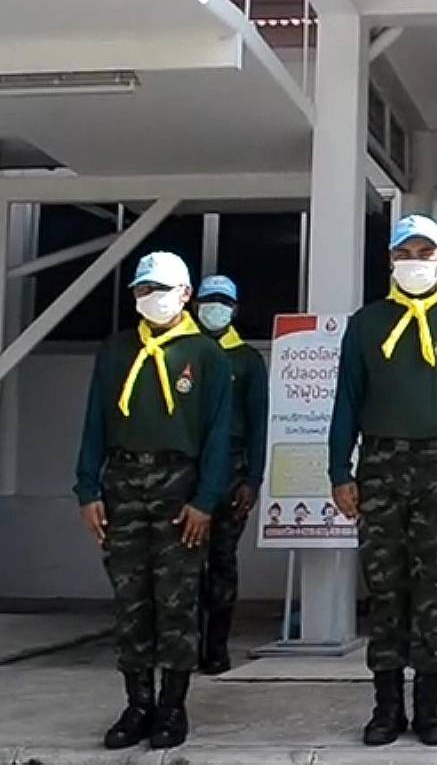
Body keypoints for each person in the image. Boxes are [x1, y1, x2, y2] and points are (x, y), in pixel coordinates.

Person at [329, 214, 437, 747]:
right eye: (406, 253)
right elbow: (346, 401)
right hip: (381, 467)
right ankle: (386, 708)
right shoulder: (367, 323)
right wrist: (339, 470)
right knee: (385, 588)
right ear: (390, 260)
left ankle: (429, 707)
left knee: (436, 589)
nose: (415, 262)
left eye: (426, 253)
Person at [74, 251, 231, 751]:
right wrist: (87, 488)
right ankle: (137, 703)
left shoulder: (206, 355)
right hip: (123, 480)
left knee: (177, 599)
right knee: (131, 598)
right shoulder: (117, 350)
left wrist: (206, 499)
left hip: (178, 483)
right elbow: (95, 420)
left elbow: (219, 435)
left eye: (160, 290)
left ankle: (172, 706)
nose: (151, 298)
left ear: (185, 294)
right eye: (143, 290)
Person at [191, 274, 268, 676]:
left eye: (223, 301)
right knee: (184, 564)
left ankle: (216, 647)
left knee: (221, 560)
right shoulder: (185, 351)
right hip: (188, 467)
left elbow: (258, 424)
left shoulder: (247, 360)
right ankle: (184, 646)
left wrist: (253, 479)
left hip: (232, 469)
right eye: (209, 300)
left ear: (235, 309)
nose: (215, 308)